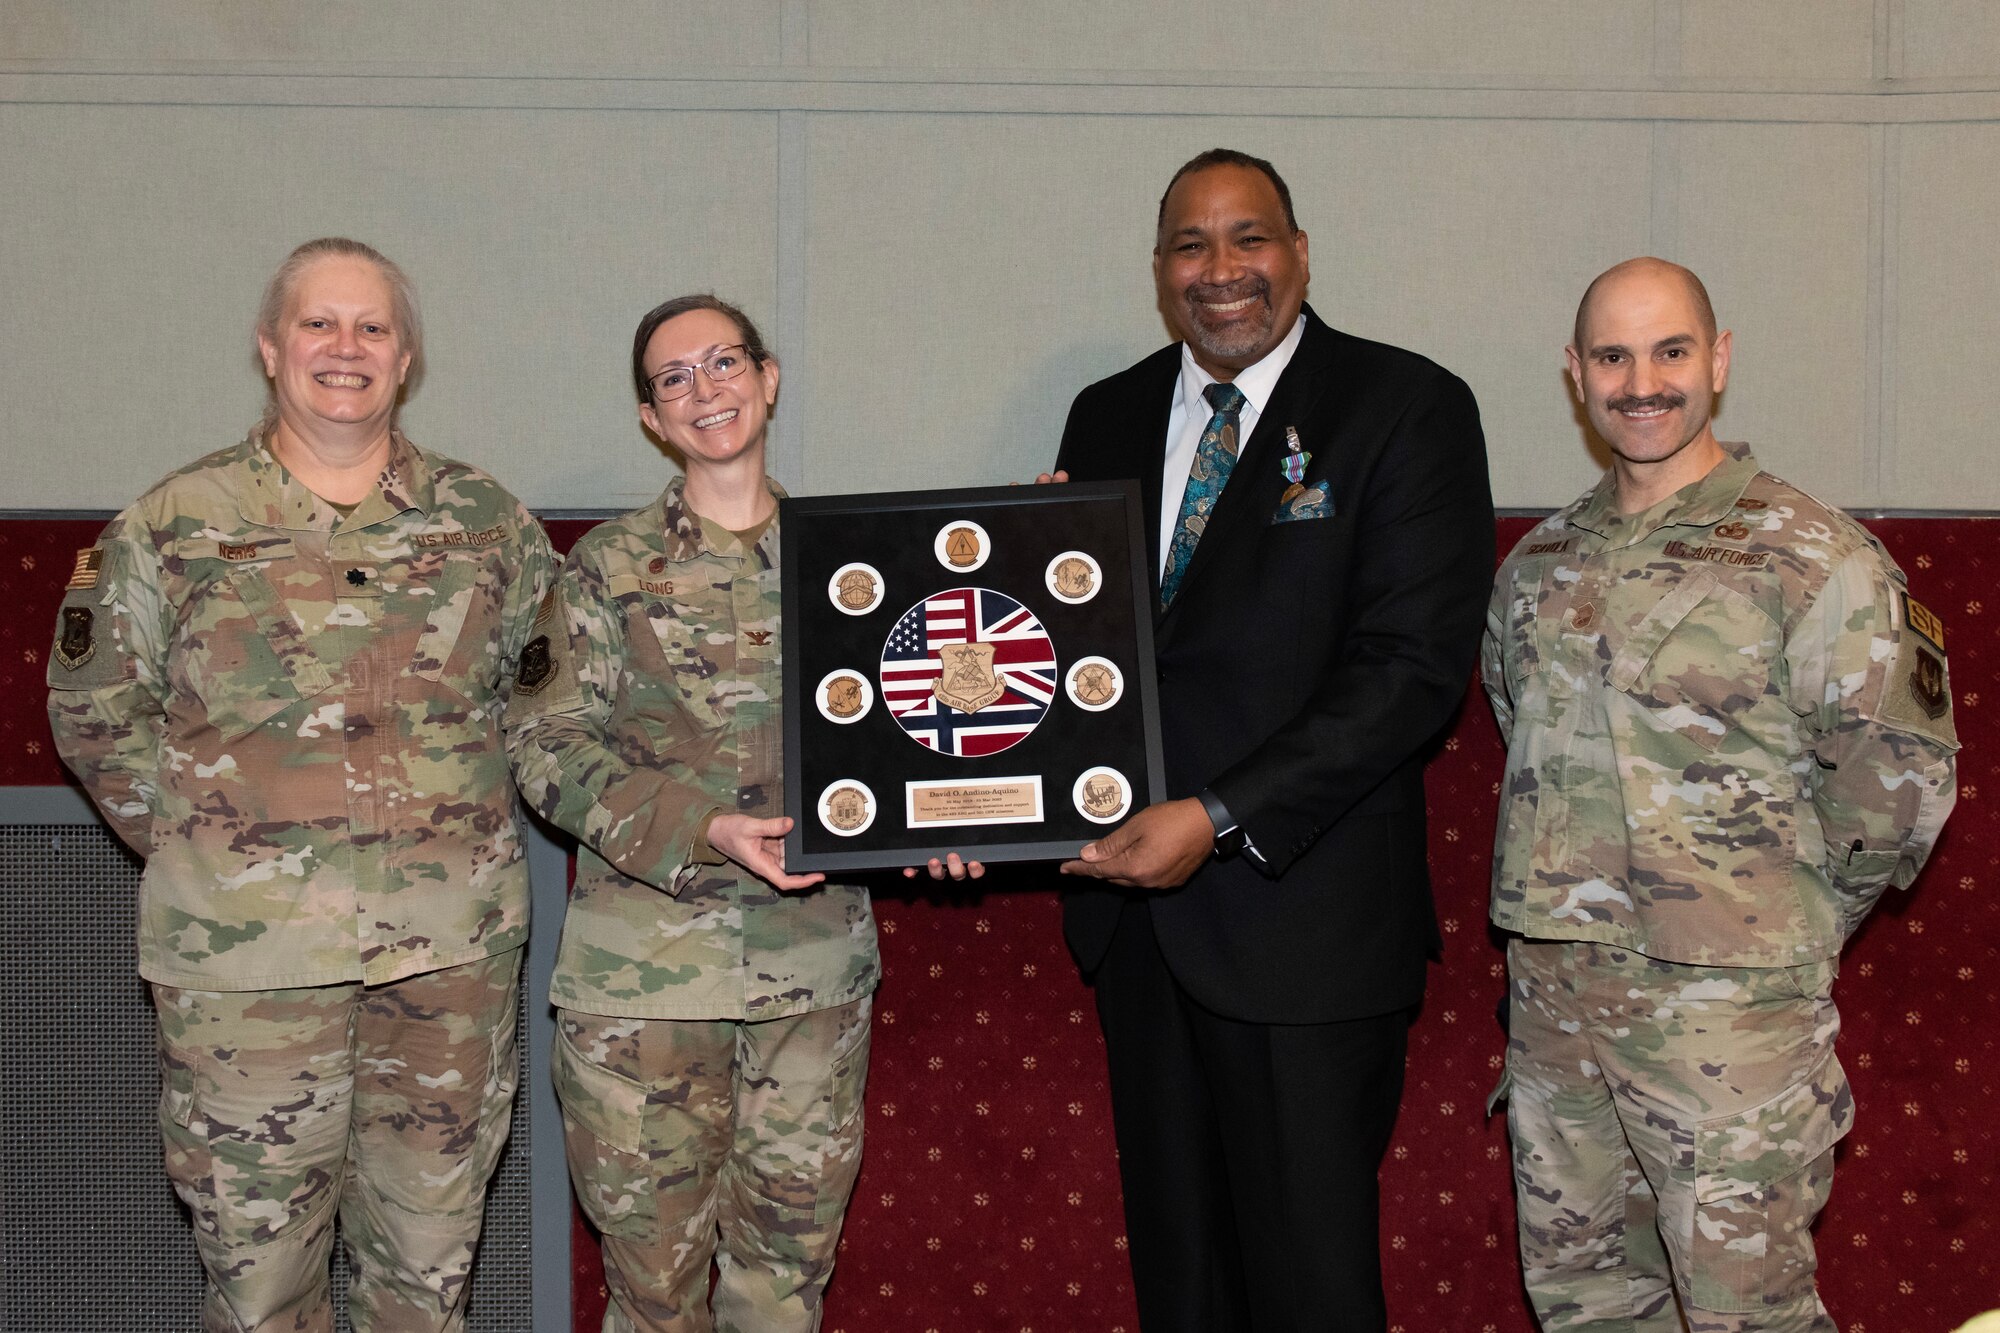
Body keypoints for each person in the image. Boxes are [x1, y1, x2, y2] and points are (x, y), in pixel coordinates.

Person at [46, 237, 556, 1331]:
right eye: (319, 324)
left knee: (424, 1281)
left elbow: (549, 706)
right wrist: (211, 847)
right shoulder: (175, 523)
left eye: (372, 327)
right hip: (250, 973)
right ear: (270, 347)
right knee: (260, 1283)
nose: (346, 348)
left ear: (406, 357)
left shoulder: (487, 524)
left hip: (445, 963)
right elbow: (92, 710)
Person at [1049, 148, 1495, 1330]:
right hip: (1138, 932)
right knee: (1181, 1286)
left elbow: (1408, 673)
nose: (1220, 269)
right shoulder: (1105, 413)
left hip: (1305, 923)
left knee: (1308, 1289)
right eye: (1189, 245)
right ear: (1158, 273)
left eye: (1247, 238)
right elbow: (1074, 661)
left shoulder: (1405, 405)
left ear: (1298, 254)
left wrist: (1219, 814)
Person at [1483, 258, 1959, 1331]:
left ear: (1719, 360)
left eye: (1668, 351)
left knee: (1748, 1318)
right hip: (1558, 1015)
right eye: (1610, 355)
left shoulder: (1810, 557)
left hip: (1730, 1026)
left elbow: (1896, 786)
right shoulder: (1538, 564)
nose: (1638, 381)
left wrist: (1768, 924)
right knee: (1586, 1303)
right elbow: (1524, 729)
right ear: (1573, 373)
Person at [505, 295, 877, 1332]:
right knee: (654, 1297)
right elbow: (544, 749)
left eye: (724, 363)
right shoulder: (601, 572)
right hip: (643, 989)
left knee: (782, 1287)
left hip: (810, 974)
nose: (705, 388)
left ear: (768, 378)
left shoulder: (850, 567)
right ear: (650, 417)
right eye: (676, 378)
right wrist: (703, 826)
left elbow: (907, 740)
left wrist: (946, 824)